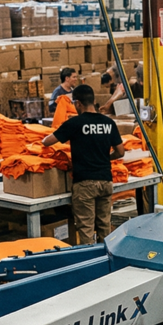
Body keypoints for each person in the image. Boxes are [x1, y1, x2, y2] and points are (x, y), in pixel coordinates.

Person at [42, 84, 123, 245]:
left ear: (78, 103)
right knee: (104, 227)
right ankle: (107, 261)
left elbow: (47, 142)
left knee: (86, 230)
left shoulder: (75, 123)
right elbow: (120, 152)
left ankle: (90, 264)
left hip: (85, 183)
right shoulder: (108, 123)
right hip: (106, 181)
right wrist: (105, 158)